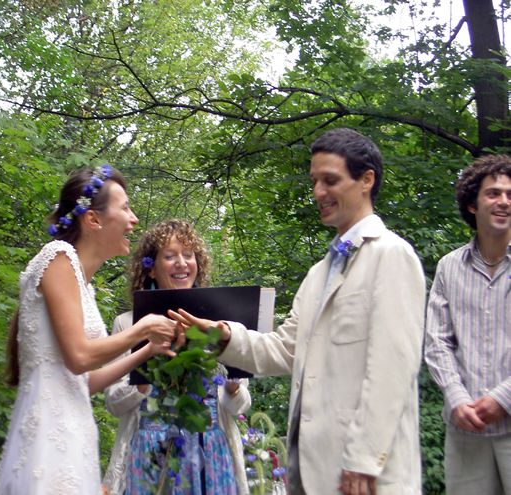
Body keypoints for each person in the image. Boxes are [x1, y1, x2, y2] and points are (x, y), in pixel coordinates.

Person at [171, 128, 426, 495]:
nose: (318, 192)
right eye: (314, 181)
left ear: (366, 180)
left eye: (330, 180)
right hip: (312, 470)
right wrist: (221, 336)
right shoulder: (319, 273)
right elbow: (284, 349)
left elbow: (393, 369)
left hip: (365, 475)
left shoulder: (391, 255)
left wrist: (364, 459)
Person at [0, 165, 178, 495]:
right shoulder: (58, 256)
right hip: (50, 431)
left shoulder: (83, 284)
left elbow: (84, 381)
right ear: (93, 219)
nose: (134, 219)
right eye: (125, 208)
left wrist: (147, 351)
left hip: (75, 427)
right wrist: (142, 329)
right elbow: (79, 357)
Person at [102, 219, 252, 495]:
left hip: (211, 455)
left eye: (188, 255)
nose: (181, 263)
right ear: (151, 269)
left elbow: (239, 406)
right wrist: (142, 379)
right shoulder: (128, 324)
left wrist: (233, 386)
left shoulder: (219, 323)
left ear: (198, 263)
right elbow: (113, 403)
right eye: (170, 256)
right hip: (150, 455)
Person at [424, 155, 510, 495]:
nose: (504, 201)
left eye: (510, 194)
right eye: (493, 193)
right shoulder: (449, 267)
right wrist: (457, 397)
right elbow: (437, 341)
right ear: (473, 204)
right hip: (465, 431)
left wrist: (503, 397)